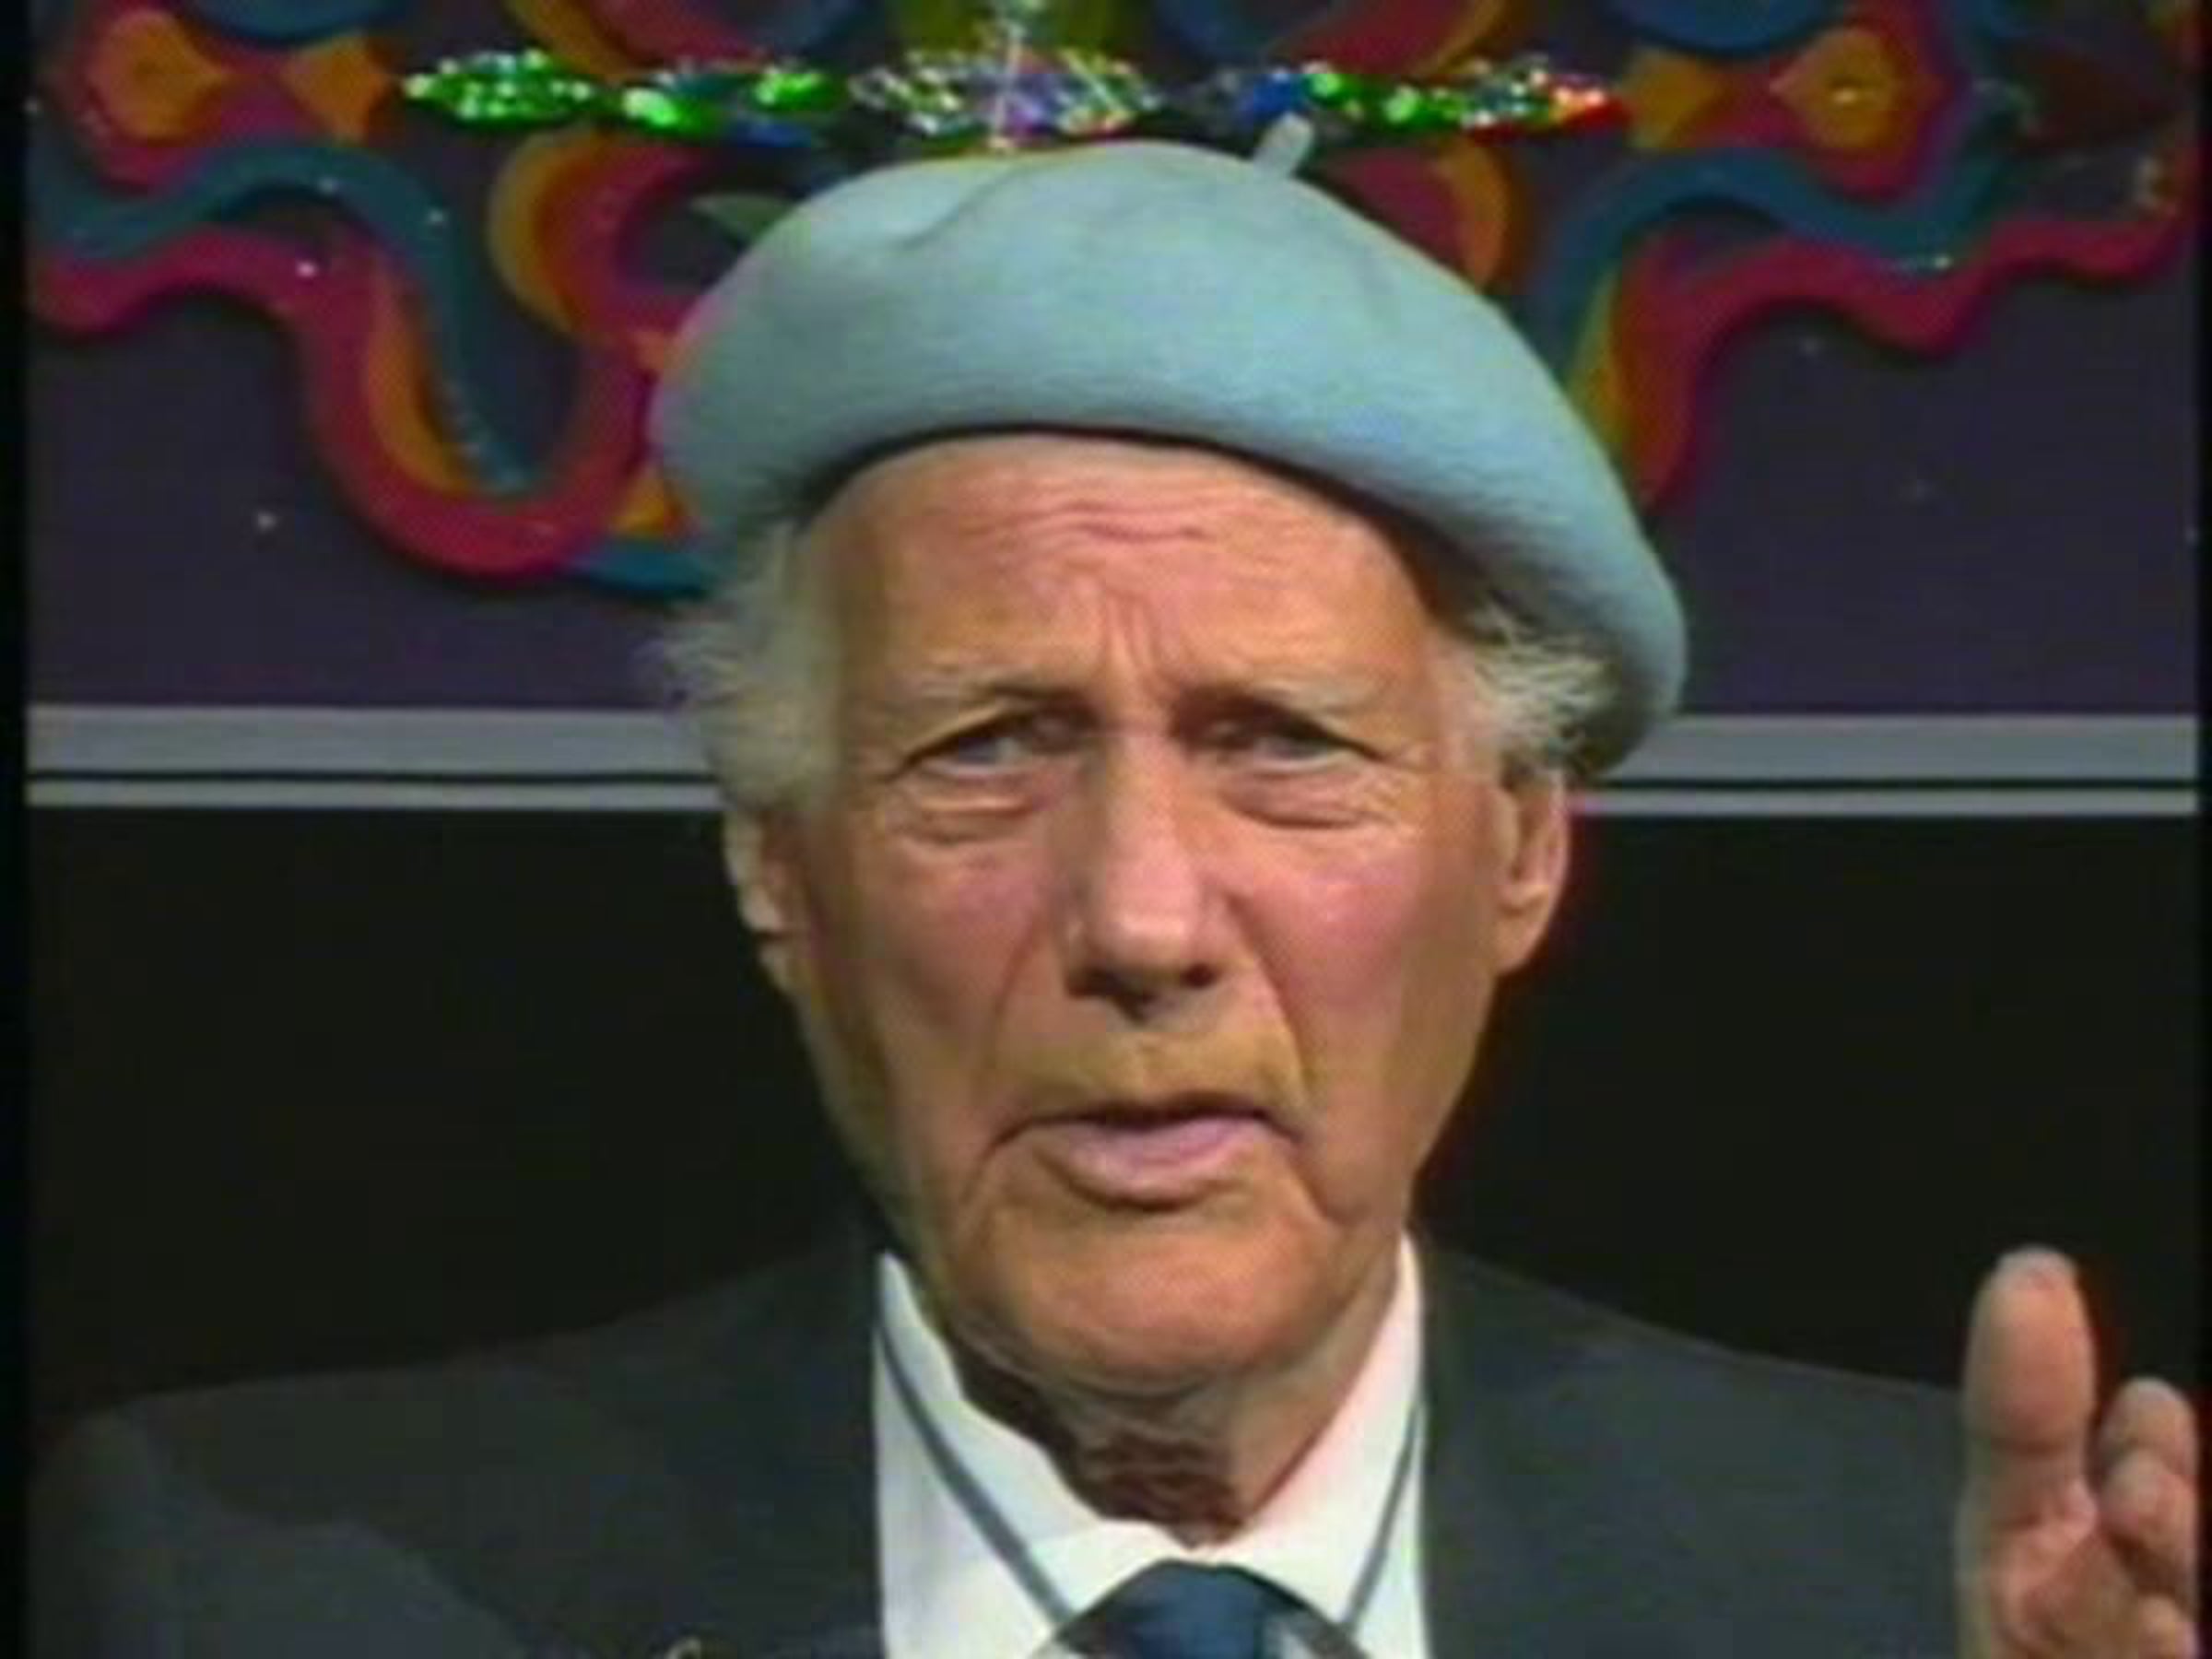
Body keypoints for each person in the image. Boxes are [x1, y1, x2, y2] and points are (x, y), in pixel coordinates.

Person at [33, 138, 2197, 1658]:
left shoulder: (1893, 1588)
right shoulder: (263, 1589)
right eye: (987, 750)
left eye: (1286, 746)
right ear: (779, 864)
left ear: (1524, 850)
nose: (1145, 922)